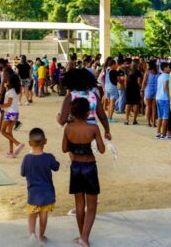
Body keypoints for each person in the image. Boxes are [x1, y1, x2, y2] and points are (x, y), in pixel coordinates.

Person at [63, 98, 105, 247]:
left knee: (79, 205)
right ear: (88, 113)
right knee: (92, 206)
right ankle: (85, 238)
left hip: (75, 167)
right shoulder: (93, 128)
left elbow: (64, 148)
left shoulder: (68, 128)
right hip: (89, 166)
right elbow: (101, 149)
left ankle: (82, 235)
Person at [21, 128, 60, 246]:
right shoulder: (49, 157)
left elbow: (23, 173)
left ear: (29, 143)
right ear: (45, 141)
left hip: (33, 193)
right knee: (44, 214)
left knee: (32, 214)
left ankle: (32, 234)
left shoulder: (27, 158)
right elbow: (56, 167)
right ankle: (41, 236)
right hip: (47, 192)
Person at [57, 67, 112, 142]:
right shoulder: (94, 95)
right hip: (91, 130)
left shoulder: (70, 97)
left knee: (74, 152)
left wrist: (58, 117)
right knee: (90, 152)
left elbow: (62, 120)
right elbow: (102, 116)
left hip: (75, 130)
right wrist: (107, 131)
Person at [1, 73, 26, 158]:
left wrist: (0, 105)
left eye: (7, 81)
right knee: (9, 132)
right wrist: (6, 88)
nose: (6, 81)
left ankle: (17, 143)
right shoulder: (15, 90)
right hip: (15, 113)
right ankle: (11, 152)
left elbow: (8, 103)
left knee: (2, 131)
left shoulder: (10, 92)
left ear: (10, 82)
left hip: (10, 113)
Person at [155, 61, 171, 140]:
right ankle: (163, 133)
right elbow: (166, 87)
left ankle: (158, 132)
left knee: (160, 116)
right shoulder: (167, 76)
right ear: (165, 68)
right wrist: (170, 97)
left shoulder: (160, 76)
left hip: (158, 97)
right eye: (168, 67)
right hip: (165, 98)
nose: (169, 68)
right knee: (165, 117)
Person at [124, 60, 142, 125]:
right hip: (135, 89)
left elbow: (125, 80)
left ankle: (126, 120)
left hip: (128, 89)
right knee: (135, 104)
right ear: (137, 64)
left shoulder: (127, 70)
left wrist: (126, 88)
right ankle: (134, 120)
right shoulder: (138, 72)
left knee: (128, 104)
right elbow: (139, 82)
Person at [143, 60, 159, 128]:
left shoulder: (147, 72)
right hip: (156, 91)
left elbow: (144, 82)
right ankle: (154, 123)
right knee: (154, 107)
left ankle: (148, 122)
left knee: (148, 106)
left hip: (148, 90)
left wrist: (141, 90)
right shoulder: (157, 73)